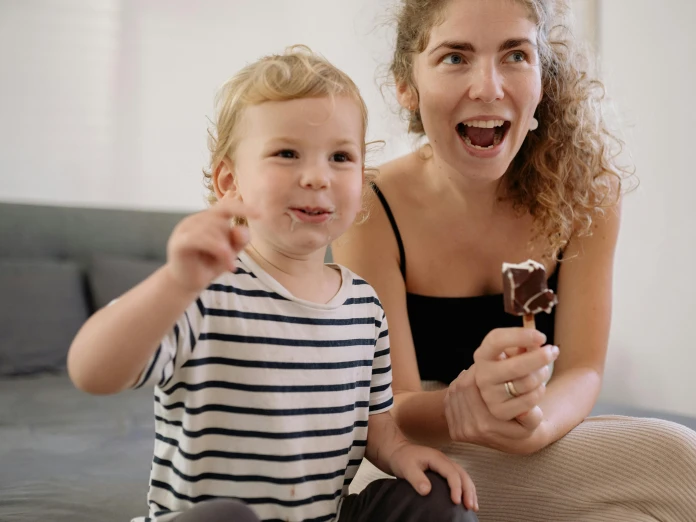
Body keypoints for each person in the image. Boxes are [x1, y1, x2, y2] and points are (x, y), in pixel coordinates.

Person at [331, 1, 696, 520]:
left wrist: (538, 422)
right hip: (408, 461)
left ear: (542, 79)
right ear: (407, 85)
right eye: (455, 58)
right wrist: (463, 404)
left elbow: (583, 369)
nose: (489, 87)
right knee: (680, 457)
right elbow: (393, 409)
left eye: (515, 55)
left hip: (530, 442)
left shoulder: (587, 193)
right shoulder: (369, 204)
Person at [67, 47, 479, 522]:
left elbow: (375, 426)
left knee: (434, 505)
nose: (317, 177)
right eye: (287, 153)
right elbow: (90, 371)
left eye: (341, 157)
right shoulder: (205, 290)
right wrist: (174, 282)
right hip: (212, 518)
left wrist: (402, 453)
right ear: (230, 182)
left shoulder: (365, 307)